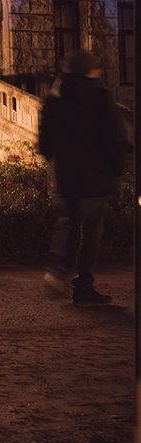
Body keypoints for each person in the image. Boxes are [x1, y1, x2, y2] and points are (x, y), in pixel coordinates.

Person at [37, 49, 127, 306]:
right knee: (91, 232)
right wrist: (117, 170)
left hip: (66, 176)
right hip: (94, 177)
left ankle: (59, 269)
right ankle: (83, 285)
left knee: (69, 224)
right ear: (91, 70)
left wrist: (56, 164)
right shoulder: (100, 96)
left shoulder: (56, 98)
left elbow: (45, 143)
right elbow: (114, 138)